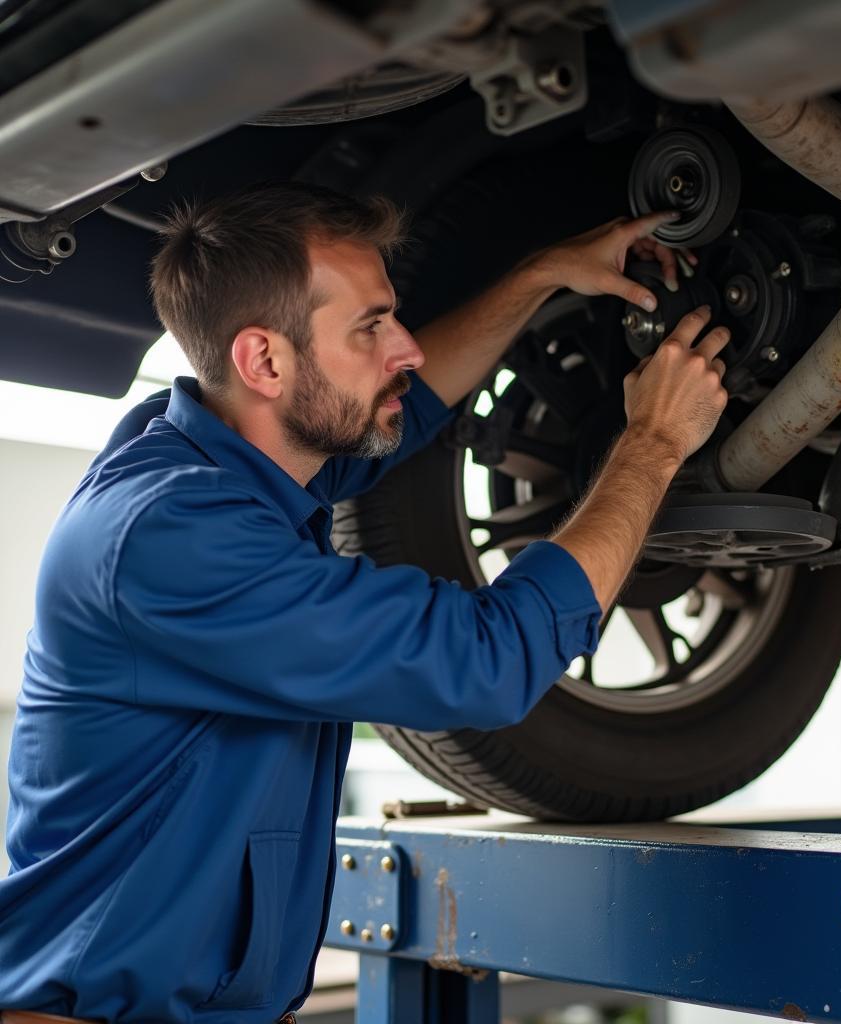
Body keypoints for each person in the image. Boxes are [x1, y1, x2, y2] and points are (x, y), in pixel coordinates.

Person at [0, 181, 728, 1024]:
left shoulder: (224, 467)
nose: (408, 348)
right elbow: (485, 664)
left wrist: (542, 274)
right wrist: (655, 442)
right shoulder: (174, 538)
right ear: (263, 361)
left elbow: (396, 418)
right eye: (370, 328)